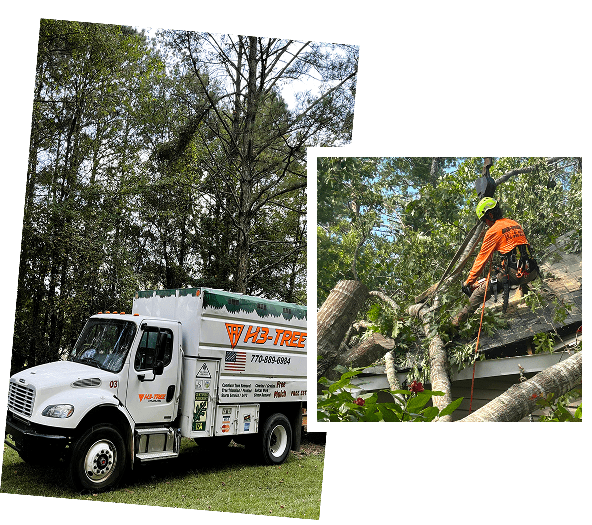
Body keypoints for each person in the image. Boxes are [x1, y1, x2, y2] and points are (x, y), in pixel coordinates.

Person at [451, 197, 538, 328]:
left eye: (485, 220)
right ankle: (529, 297)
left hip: (516, 275)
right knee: (511, 268)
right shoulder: (514, 223)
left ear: (490, 215)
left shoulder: (493, 230)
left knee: (480, 291)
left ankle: (456, 324)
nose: (486, 224)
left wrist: (468, 282)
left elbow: (481, 259)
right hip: (533, 270)